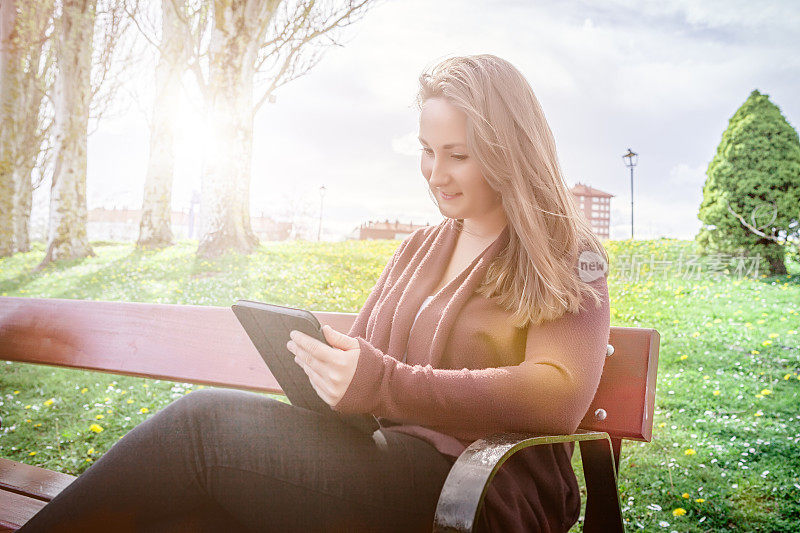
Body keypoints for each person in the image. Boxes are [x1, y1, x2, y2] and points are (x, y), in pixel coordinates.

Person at [17, 54, 610, 533]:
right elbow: (372, 362)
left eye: (458, 155)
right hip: (379, 463)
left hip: (473, 489)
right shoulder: (418, 247)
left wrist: (383, 383)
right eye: (427, 153)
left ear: (509, 151)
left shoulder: (565, 252)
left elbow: (557, 392)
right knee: (185, 519)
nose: (435, 173)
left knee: (200, 424)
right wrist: (332, 371)